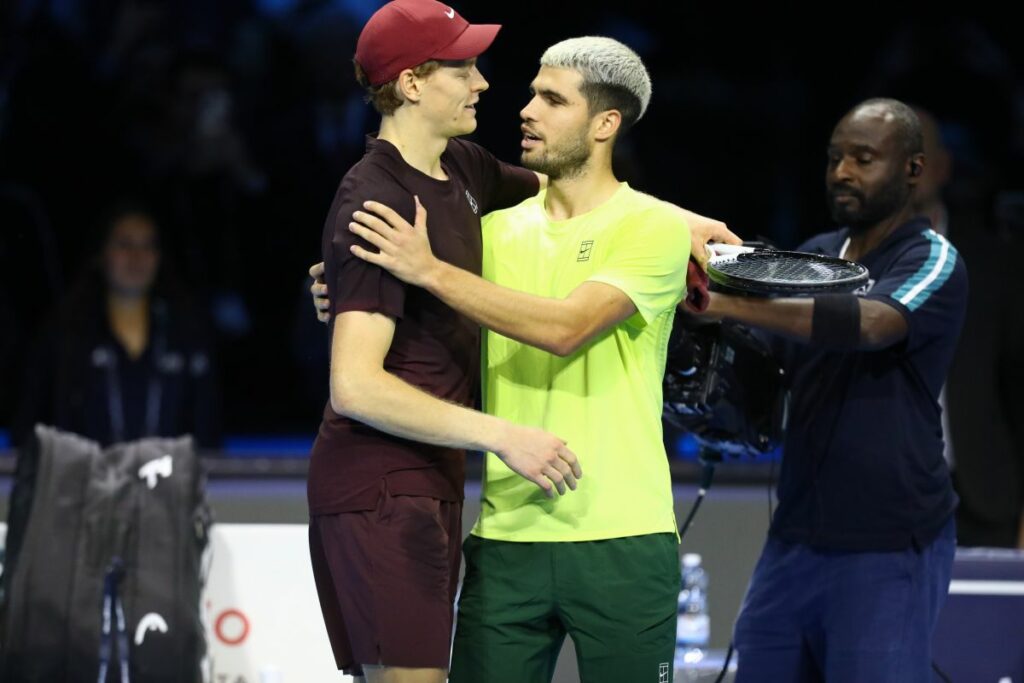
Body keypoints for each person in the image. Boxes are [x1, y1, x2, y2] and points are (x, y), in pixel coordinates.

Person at [341, 36, 723, 683]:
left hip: (623, 539)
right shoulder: (491, 230)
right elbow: (404, 301)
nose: (526, 109)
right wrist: (343, 286)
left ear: (605, 123)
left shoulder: (653, 228)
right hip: (506, 539)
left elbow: (568, 327)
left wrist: (430, 270)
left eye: (552, 99)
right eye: (531, 94)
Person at [306, 3, 586, 682]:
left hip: (430, 479)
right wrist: (504, 435)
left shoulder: (462, 165)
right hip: (379, 485)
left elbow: (583, 196)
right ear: (410, 84)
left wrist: (685, 226)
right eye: (462, 68)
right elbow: (355, 386)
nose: (482, 82)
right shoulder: (374, 200)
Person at [697, 99, 966, 682]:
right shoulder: (816, 255)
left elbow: (874, 323)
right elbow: (764, 355)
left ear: (913, 169)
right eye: (834, 158)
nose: (842, 172)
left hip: (889, 544)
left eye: (863, 159)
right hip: (793, 540)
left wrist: (728, 304)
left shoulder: (931, 258)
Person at [13, 201, 220, 448]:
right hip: (84, 471)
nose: (137, 257)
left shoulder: (187, 332)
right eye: (124, 244)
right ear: (100, 254)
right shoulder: (64, 332)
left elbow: (208, 430)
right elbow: (30, 422)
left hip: (169, 471)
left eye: (148, 246)